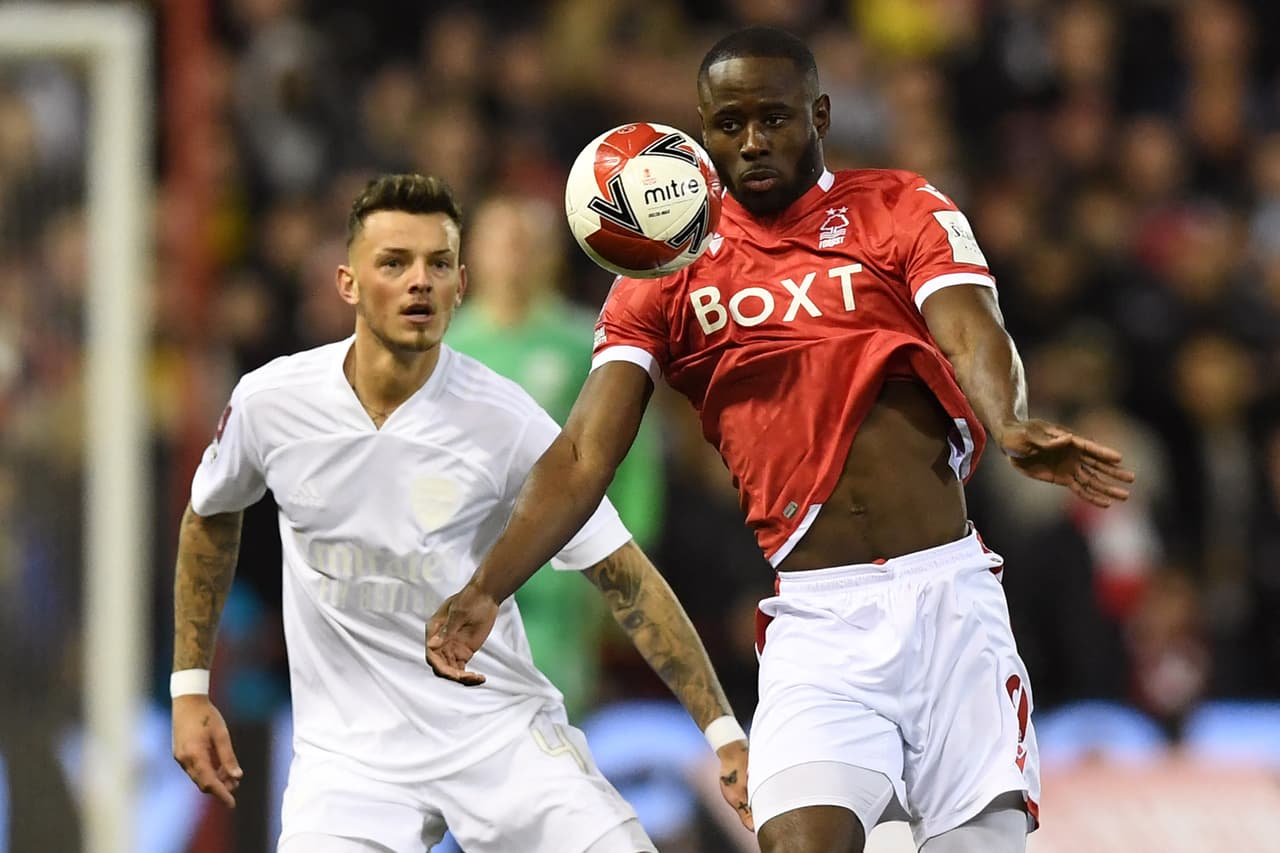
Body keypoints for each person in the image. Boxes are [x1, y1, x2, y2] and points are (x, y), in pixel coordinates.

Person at [426, 26, 1136, 853]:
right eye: (730, 124)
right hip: (817, 622)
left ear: (819, 115)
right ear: (702, 132)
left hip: (949, 606)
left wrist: (1006, 418)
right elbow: (585, 452)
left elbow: (971, 330)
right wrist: (488, 587)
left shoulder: (900, 207)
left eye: (774, 118)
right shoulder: (665, 274)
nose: (753, 141)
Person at [169, 173, 751, 853]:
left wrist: (723, 732)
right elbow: (210, 516)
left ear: (460, 284)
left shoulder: (504, 418)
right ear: (347, 283)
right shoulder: (271, 402)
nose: (419, 281)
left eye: (438, 264)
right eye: (394, 263)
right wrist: (189, 688)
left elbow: (623, 573)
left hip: (497, 736)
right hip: (351, 765)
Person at [446, 193, 665, 720]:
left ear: (549, 255)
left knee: (550, 716)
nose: (513, 256)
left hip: (561, 571)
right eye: (501, 242)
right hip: (459, 563)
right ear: (473, 254)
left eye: (525, 243)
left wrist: (626, 556)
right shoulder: (445, 346)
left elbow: (634, 460)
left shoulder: (587, 341)